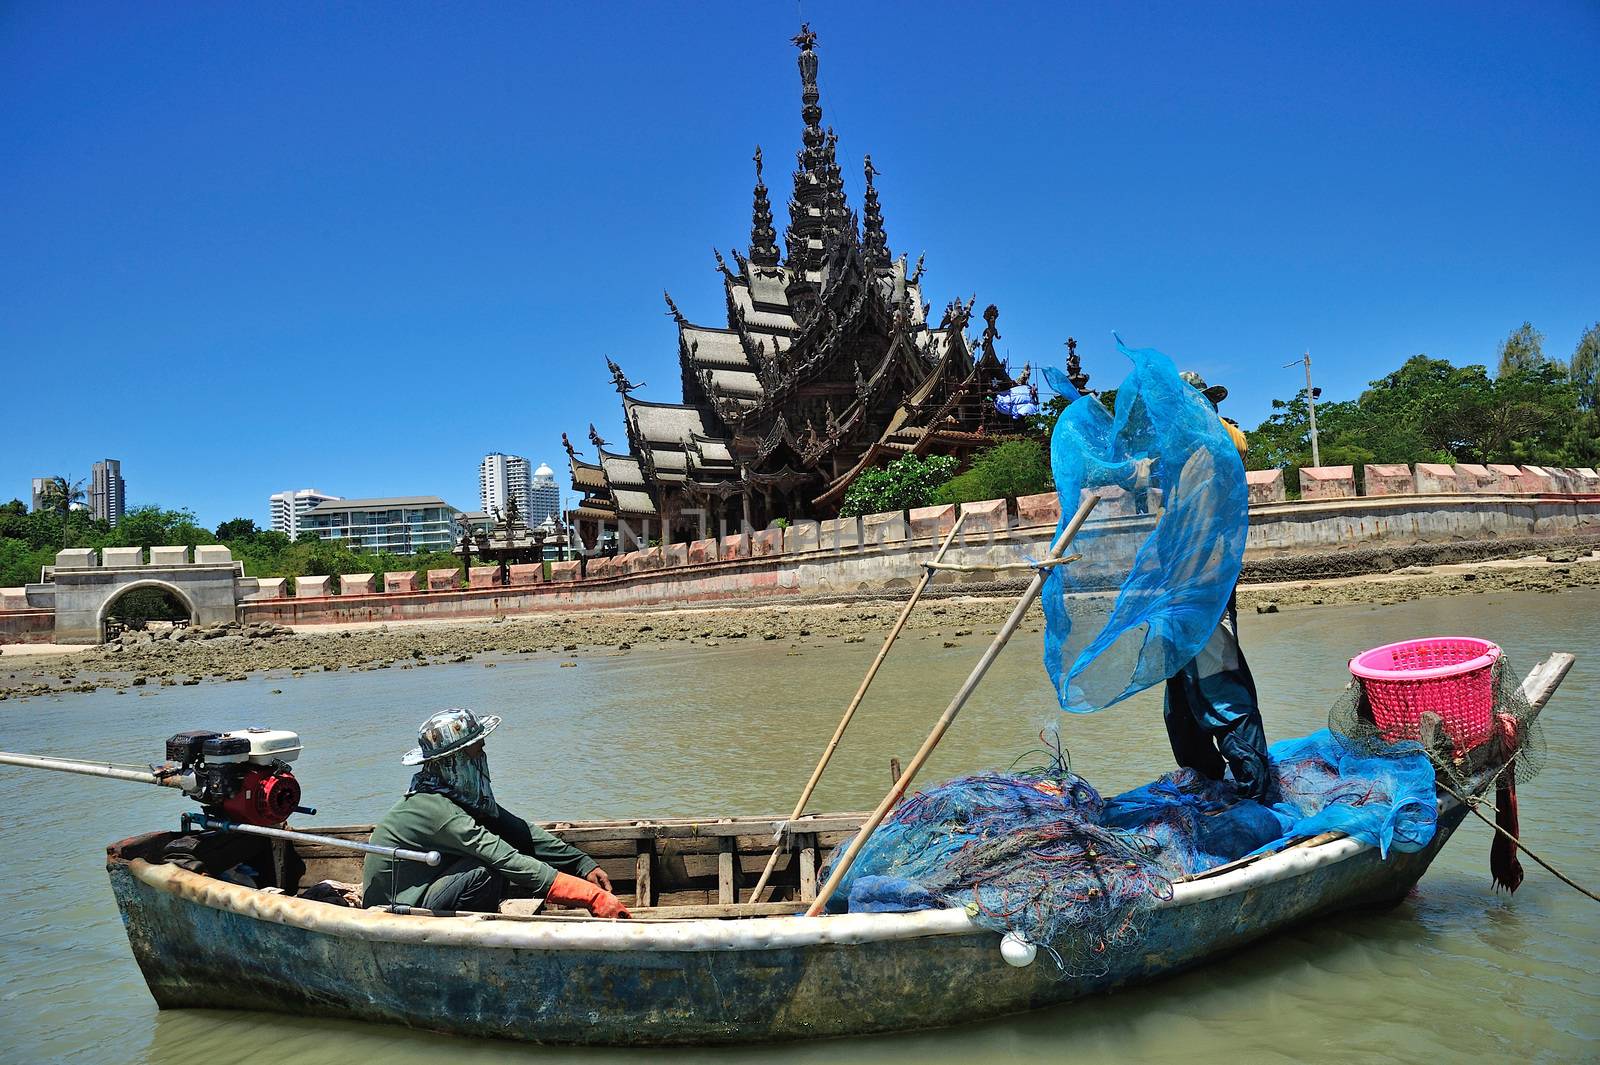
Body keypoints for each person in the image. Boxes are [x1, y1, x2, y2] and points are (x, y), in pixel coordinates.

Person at [361, 707, 631, 917]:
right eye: (478, 751)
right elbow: (504, 857)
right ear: (456, 761)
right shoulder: (435, 809)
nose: (484, 757)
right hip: (395, 909)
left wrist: (582, 864)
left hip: (428, 889)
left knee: (494, 859)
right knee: (486, 871)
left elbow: (521, 833)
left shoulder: (455, 797)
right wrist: (591, 896)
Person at [1162, 372, 1271, 801]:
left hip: (1207, 590)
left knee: (1220, 688)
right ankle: (1207, 786)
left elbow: (1238, 443)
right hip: (1175, 594)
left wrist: (1199, 416)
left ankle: (1254, 790)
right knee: (1181, 698)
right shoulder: (1174, 458)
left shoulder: (1219, 444)